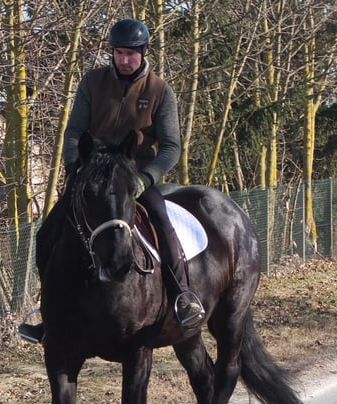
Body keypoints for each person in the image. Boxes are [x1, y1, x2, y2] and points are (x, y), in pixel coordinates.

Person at [19, 18, 205, 343]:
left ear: (143, 52)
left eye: (130, 54)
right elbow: (75, 130)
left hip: (136, 176)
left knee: (164, 225)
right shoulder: (92, 82)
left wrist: (146, 179)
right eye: (119, 53)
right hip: (93, 176)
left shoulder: (160, 91)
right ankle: (49, 314)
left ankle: (183, 298)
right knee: (48, 231)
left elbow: (172, 146)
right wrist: (76, 168)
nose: (124, 60)